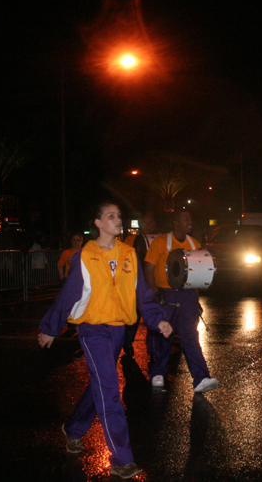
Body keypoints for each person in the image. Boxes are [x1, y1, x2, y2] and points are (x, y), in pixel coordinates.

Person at [37, 201, 172, 480]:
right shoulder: (85, 256)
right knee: (110, 390)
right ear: (97, 223)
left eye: (119, 215)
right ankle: (122, 458)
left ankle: (73, 429)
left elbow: (142, 293)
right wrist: (51, 327)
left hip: (118, 330)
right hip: (92, 330)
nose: (117, 219)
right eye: (111, 216)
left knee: (99, 383)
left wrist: (157, 318)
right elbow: (69, 294)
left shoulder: (128, 254)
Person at [144, 210, 218, 393]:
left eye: (190, 218)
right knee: (163, 335)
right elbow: (148, 269)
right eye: (186, 219)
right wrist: (155, 293)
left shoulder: (194, 244)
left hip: (187, 295)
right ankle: (158, 373)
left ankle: (201, 378)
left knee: (190, 336)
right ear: (175, 222)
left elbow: (199, 274)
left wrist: (196, 300)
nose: (190, 221)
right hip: (165, 294)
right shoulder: (160, 242)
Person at [122, 213, 159, 358]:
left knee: (152, 317)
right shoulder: (131, 240)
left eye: (151, 222)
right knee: (134, 317)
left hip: (153, 282)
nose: (150, 225)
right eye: (146, 222)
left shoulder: (160, 239)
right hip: (136, 284)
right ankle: (127, 343)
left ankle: (153, 349)